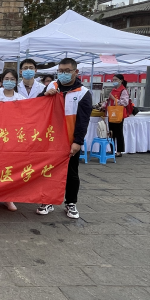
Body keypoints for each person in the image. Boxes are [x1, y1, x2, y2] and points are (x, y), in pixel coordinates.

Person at [36, 58, 92, 219]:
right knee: (48, 171)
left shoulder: (83, 93)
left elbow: (83, 121)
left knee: (71, 173)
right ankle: (47, 200)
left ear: (76, 72)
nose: (63, 74)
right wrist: (44, 95)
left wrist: (78, 141)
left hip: (69, 140)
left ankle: (71, 202)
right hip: (50, 140)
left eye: (67, 71)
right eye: (60, 71)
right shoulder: (52, 86)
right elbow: (36, 105)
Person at [0, 69, 24, 212]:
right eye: (6, 79)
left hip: (15, 138)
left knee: (11, 168)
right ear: (2, 81)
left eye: (12, 79)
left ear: (16, 81)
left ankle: (9, 198)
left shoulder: (21, 99)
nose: (9, 81)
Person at [102, 73, 129, 157]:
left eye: (116, 80)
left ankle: (119, 151)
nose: (114, 81)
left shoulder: (123, 90)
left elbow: (125, 102)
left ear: (121, 81)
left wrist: (114, 98)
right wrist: (103, 106)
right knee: (111, 132)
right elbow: (109, 101)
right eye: (113, 80)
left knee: (119, 133)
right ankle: (112, 149)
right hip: (111, 113)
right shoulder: (113, 90)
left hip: (118, 114)